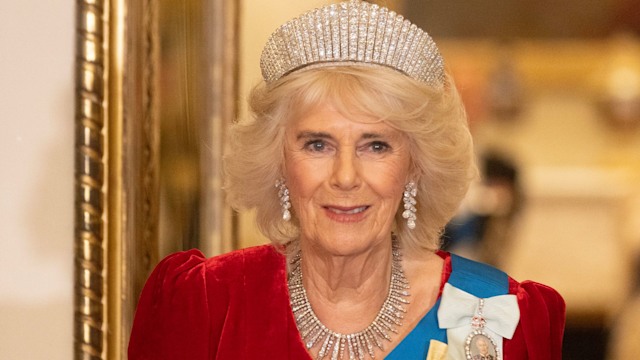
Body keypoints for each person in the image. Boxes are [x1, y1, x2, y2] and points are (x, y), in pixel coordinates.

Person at [128, 1, 565, 359]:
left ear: (415, 165)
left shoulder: (500, 315)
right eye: (317, 144)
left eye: (376, 146)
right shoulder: (205, 304)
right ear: (279, 161)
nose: (345, 176)